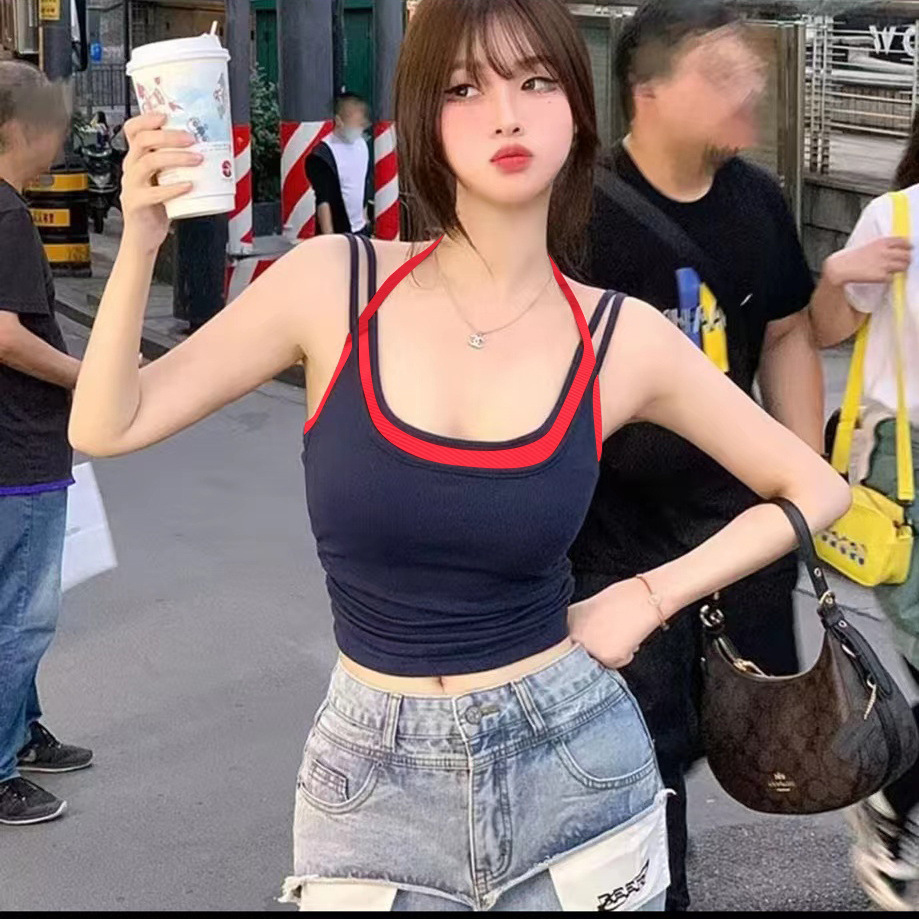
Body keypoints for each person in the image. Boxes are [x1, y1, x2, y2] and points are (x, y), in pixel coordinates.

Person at [69, 0, 848, 910]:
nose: (506, 115)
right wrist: (142, 240)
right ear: (425, 121)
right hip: (370, 779)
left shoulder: (619, 338)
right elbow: (107, 424)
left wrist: (647, 595)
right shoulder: (333, 286)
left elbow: (811, 487)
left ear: (576, 112)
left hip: (574, 757)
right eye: (464, 89)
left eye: (536, 82)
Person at [566, 2, 825, 909]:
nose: (748, 86)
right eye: (719, 72)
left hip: (734, 535)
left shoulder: (756, 201)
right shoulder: (577, 211)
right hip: (612, 539)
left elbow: (786, 332)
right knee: (638, 750)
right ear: (647, 91)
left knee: (742, 728)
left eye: (748, 68)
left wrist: (801, 483)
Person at [809, 109, 919, 914]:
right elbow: (823, 329)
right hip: (904, 464)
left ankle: (890, 788)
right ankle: (889, 796)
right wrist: (837, 272)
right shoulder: (897, 217)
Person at [0, 60, 93, 827]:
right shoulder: (7, 218)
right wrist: (87, 375)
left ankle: (23, 731)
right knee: (23, 617)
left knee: (11, 605)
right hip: (19, 447)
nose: (60, 137)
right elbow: (5, 336)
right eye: (52, 122)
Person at [306, 92, 373, 236]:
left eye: (362, 124)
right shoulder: (323, 155)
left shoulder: (362, 145)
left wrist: (365, 219)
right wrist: (329, 237)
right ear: (339, 121)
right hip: (338, 232)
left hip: (360, 228)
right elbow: (323, 201)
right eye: (356, 123)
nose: (360, 128)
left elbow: (363, 183)